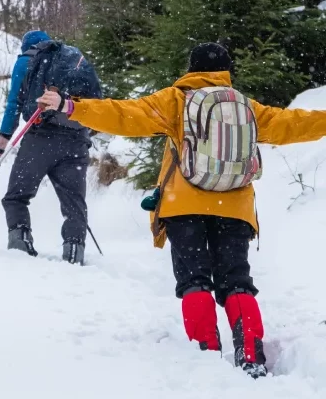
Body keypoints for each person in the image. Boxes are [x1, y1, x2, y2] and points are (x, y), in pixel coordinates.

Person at [38, 42, 326, 377]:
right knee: (236, 281)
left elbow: (124, 115)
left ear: (192, 68)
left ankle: (205, 353)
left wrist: (71, 106)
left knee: (194, 279)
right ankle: (251, 355)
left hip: (183, 204)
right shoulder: (246, 107)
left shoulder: (176, 100)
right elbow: (293, 123)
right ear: (225, 71)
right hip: (234, 205)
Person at [0, 30, 101, 265]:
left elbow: (13, 106)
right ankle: (74, 253)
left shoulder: (26, 61)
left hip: (41, 138)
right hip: (77, 139)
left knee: (16, 197)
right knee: (74, 203)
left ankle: (20, 251)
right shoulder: (72, 58)